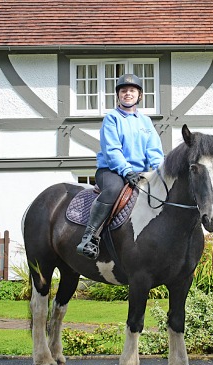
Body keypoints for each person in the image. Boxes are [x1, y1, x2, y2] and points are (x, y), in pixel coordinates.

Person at [76, 74, 164, 259]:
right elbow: (112, 149)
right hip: (112, 170)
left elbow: (154, 150)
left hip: (140, 172)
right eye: (123, 91)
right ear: (118, 95)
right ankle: (89, 237)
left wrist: (159, 172)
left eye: (132, 90)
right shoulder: (111, 118)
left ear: (139, 95)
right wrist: (126, 171)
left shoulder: (146, 122)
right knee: (114, 189)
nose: (127, 94)